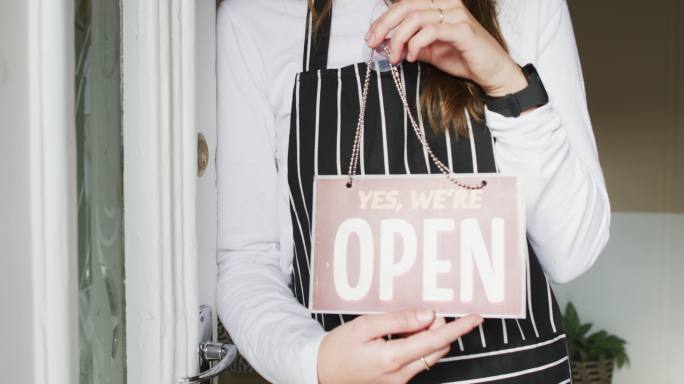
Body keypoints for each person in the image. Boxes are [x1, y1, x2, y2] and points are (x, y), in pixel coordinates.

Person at [216, 0, 610, 382]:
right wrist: (312, 363)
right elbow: (248, 261)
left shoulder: (528, 7)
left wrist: (508, 84)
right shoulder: (255, 20)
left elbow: (571, 254)